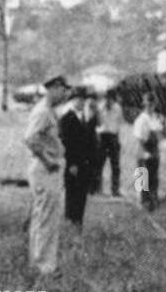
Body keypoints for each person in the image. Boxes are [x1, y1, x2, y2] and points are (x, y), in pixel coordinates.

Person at [24, 75, 71, 276]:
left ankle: (38, 263)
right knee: (46, 218)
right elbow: (29, 139)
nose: (65, 94)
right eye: (62, 89)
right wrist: (47, 160)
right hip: (45, 169)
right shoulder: (43, 111)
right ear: (53, 88)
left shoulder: (49, 111)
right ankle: (44, 266)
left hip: (49, 168)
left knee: (44, 217)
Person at [58, 86, 96, 231]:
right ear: (72, 100)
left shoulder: (84, 117)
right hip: (73, 162)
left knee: (81, 193)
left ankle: (78, 221)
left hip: (84, 162)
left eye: (82, 100)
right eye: (78, 99)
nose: (81, 102)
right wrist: (71, 163)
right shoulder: (67, 118)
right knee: (72, 193)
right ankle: (71, 220)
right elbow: (66, 143)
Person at [132, 93, 164, 210]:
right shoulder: (141, 119)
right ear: (144, 105)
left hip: (154, 149)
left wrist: (157, 148)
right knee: (142, 174)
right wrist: (144, 152)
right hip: (143, 148)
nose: (150, 107)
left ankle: (153, 198)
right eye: (148, 105)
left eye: (152, 104)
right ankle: (142, 200)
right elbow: (139, 138)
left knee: (154, 176)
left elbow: (159, 134)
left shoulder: (156, 118)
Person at [95, 90, 124, 197]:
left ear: (113, 99)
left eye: (111, 99)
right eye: (107, 98)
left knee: (115, 166)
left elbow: (119, 123)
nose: (108, 101)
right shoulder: (99, 107)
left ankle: (115, 190)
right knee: (99, 164)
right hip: (102, 137)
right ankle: (98, 188)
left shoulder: (118, 108)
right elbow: (97, 124)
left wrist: (117, 139)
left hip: (113, 137)